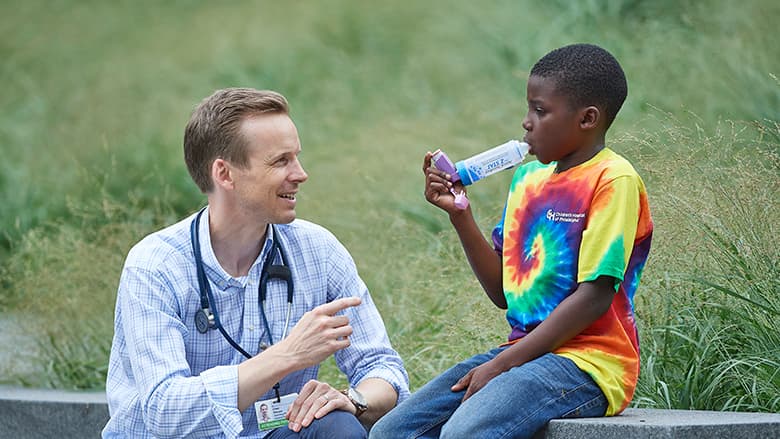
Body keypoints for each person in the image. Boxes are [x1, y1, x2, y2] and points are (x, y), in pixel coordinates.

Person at [370, 43, 653, 438]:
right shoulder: (528, 181)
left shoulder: (612, 179)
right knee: (391, 432)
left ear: (588, 118)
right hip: (524, 355)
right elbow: (506, 292)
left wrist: (501, 366)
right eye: (528, 109)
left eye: (540, 110)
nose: (526, 122)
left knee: (460, 434)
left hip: (589, 364)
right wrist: (460, 216)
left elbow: (595, 297)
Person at [103, 88, 410, 438]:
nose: (301, 173)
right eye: (281, 161)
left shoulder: (318, 251)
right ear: (225, 174)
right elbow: (165, 411)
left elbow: (384, 371)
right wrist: (286, 356)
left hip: (276, 432)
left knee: (336, 426)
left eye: (296, 157)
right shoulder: (156, 266)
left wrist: (352, 399)